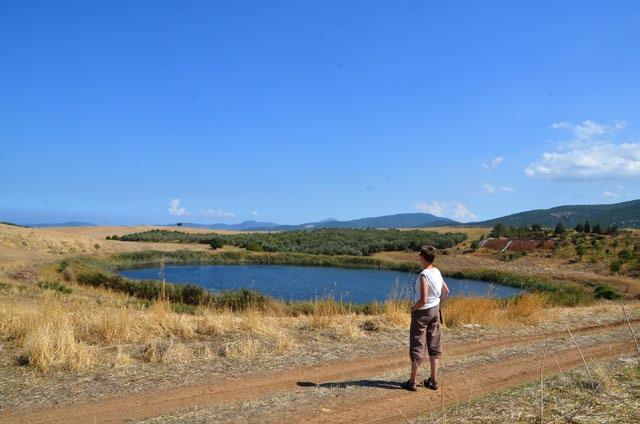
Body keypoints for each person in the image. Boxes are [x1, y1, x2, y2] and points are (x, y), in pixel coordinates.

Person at [402, 245, 449, 391]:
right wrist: (437, 304)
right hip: (435, 311)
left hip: (422, 313)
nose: (418, 257)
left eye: (419, 255)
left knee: (417, 345)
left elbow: (423, 298)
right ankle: (433, 381)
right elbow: (446, 291)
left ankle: (412, 382)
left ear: (423, 257)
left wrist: (414, 308)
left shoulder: (424, 275)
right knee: (434, 345)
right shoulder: (437, 271)